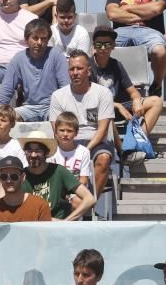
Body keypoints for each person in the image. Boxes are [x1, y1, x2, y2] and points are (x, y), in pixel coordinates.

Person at [49, 50, 115, 200]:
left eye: (79, 68)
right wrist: (73, 148)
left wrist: (85, 150)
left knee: (104, 158)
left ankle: (88, 204)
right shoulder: (58, 96)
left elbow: (103, 129)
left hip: (95, 141)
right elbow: (56, 129)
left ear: (89, 70)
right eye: (72, 69)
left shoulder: (103, 93)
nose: (75, 72)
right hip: (67, 141)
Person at [106, 0, 166, 95]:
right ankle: (105, 91)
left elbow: (157, 8)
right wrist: (143, 15)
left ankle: (157, 85)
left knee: (160, 52)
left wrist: (127, 8)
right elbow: (112, 13)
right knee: (98, 49)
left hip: (150, 32)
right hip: (121, 32)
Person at [91, 27, 162, 134]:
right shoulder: (87, 66)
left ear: (113, 46)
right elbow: (89, 99)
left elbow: (133, 92)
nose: (103, 48)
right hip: (97, 110)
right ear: (94, 46)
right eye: (99, 44)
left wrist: (137, 100)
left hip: (119, 109)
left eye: (107, 44)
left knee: (156, 102)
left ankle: (139, 139)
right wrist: (117, 106)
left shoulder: (116, 65)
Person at [0, 19, 69, 121]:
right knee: (7, 119)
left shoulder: (57, 56)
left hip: (52, 107)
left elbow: (66, 88)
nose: (39, 42)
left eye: (43, 39)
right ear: (26, 39)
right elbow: (6, 89)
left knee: (60, 120)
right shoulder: (18, 59)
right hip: (28, 108)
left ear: (48, 40)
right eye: (35, 38)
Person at [21, 130, 95, 221]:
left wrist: (65, 222)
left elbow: (89, 199)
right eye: (29, 151)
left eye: (38, 151)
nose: (33, 155)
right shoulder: (19, 175)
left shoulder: (58, 171)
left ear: (46, 153)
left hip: (56, 226)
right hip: (30, 225)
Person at [0, 156, 52, 222]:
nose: (8, 181)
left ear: (23, 177)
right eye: (4, 176)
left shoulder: (40, 206)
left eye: (14, 176)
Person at [49, 113, 93, 189]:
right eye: (62, 130)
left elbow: (84, 180)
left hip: (77, 191)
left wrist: (71, 193)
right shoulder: (51, 151)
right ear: (55, 132)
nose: (65, 134)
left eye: (69, 131)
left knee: (78, 201)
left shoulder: (84, 152)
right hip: (56, 190)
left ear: (76, 133)